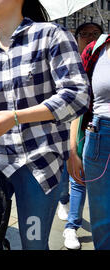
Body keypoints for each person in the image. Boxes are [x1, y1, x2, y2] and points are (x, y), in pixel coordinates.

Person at [0, 0, 90, 250]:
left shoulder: (51, 36)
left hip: (39, 166)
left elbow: (77, 95)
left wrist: (15, 117)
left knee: (33, 243)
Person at [59, 22, 103, 250]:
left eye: (94, 34)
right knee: (76, 177)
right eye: (84, 34)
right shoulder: (69, 60)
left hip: (93, 126)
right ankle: (70, 224)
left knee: (81, 177)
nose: (89, 38)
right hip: (74, 125)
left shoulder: (100, 57)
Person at [70, 32, 110, 250]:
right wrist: (73, 150)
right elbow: (80, 102)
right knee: (102, 219)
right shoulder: (96, 49)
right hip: (98, 138)